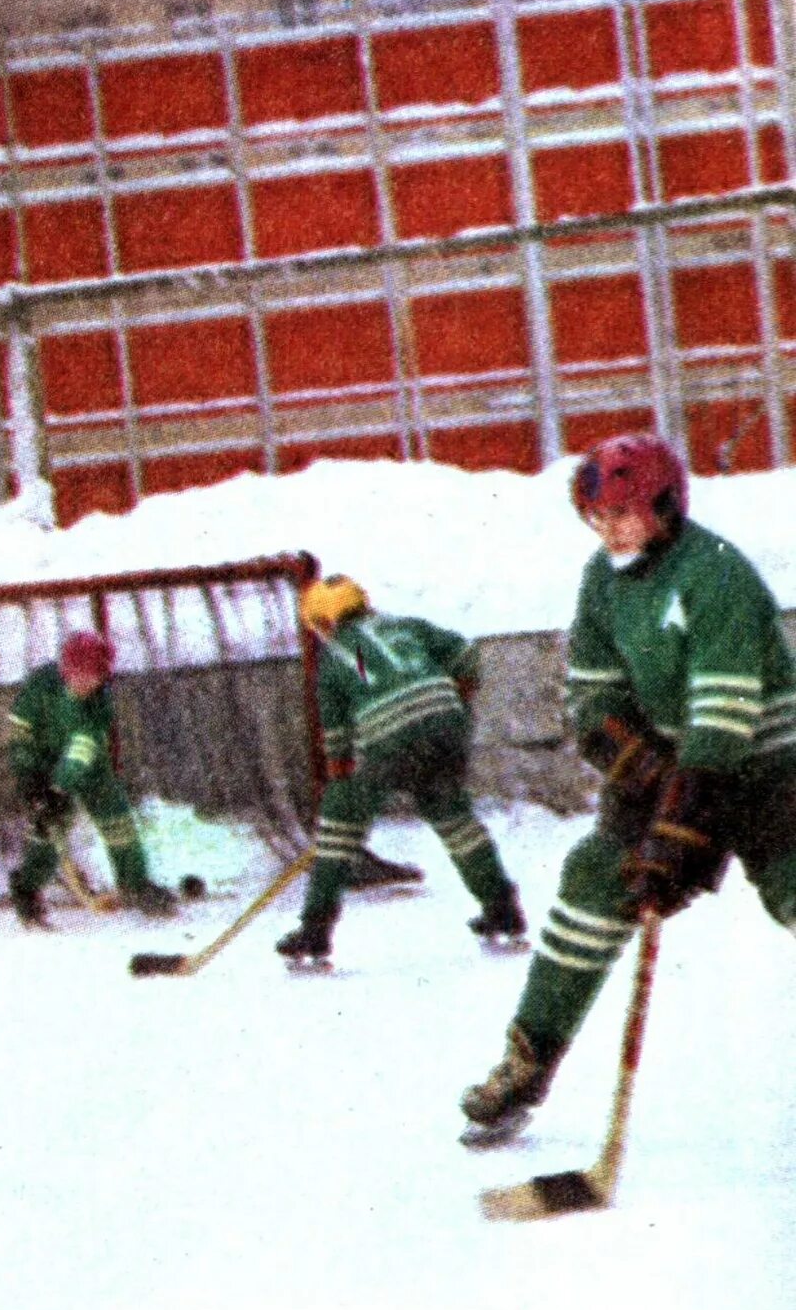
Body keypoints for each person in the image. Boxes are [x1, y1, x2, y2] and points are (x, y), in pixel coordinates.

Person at [462, 431, 796, 1136]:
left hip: (769, 768)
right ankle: (527, 1058)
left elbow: (722, 718)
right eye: (598, 515)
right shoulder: (602, 581)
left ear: (666, 507)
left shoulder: (715, 573)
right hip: (679, 767)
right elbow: (593, 703)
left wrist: (678, 829)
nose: (608, 529)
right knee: (596, 875)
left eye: (623, 513)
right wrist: (645, 775)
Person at [277, 578, 525, 966]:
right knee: (453, 815)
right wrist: (452, 695)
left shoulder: (334, 660)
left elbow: (338, 744)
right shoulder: (406, 626)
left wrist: (341, 790)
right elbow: (465, 653)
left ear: (324, 622)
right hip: (447, 727)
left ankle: (314, 932)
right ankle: (502, 909)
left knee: (339, 826)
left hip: (391, 741)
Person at [5, 630, 179, 924]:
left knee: (118, 820)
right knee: (48, 828)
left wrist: (59, 789)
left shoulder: (99, 704)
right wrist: (30, 778)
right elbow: (20, 731)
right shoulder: (40, 685)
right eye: (78, 675)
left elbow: (81, 750)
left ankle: (134, 884)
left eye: (93, 677)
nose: (85, 683)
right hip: (43, 762)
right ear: (65, 670)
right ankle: (27, 888)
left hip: (88, 765)